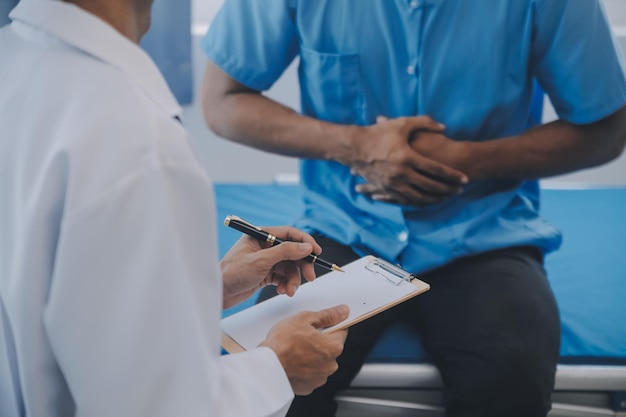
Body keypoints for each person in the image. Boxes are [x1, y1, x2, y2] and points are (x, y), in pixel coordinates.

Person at [200, 1, 626, 416]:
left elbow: (606, 129)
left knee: (510, 383)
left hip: (484, 235)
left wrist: (465, 161)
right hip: (339, 230)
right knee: (273, 377)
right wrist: (357, 146)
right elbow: (223, 102)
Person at [0, 1, 350, 416]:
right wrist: (276, 369)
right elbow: (158, 408)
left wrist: (202, 290)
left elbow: (51, 295)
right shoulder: (140, 146)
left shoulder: (14, 62)